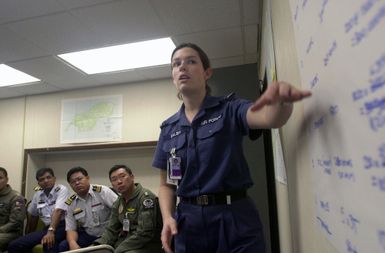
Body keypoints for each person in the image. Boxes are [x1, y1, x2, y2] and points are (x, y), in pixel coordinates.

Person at [152, 43, 312, 253]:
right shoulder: (168, 128)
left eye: (191, 61)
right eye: (176, 64)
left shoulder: (229, 108)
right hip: (189, 223)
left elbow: (267, 118)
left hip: (234, 216)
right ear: (173, 76)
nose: (182, 67)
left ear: (207, 72)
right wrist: (167, 218)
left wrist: (281, 103)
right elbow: (167, 185)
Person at [92, 165, 162, 253]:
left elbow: (145, 233)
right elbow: (111, 229)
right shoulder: (119, 201)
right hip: (127, 242)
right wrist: (97, 247)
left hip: (148, 244)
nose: (119, 182)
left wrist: (118, 250)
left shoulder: (145, 198)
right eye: (114, 179)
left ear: (132, 177)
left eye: (122, 176)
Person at [8, 167, 70, 253]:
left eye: (48, 177)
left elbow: (58, 211)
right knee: (15, 245)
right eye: (42, 179)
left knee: (48, 244)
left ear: (54, 178)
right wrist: (29, 235)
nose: (45, 181)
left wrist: (50, 232)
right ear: (39, 183)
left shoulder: (61, 190)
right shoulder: (38, 195)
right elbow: (33, 216)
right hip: (47, 228)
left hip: (64, 226)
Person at [58, 166, 118, 251]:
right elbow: (71, 229)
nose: (77, 183)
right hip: (89, 235)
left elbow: (121, 211)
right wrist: (72, 243)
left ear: (87, 178)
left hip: (108, 234)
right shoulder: (71, 203)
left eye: (79, 179)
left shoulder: (103, 191)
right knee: (64, 246)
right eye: (73, 182)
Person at [0, 167, 26, 253]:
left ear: (7, 179)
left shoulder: (16, 197)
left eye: (0, 178)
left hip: (11, 233)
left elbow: (15, 222)